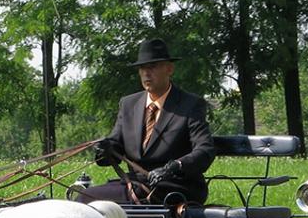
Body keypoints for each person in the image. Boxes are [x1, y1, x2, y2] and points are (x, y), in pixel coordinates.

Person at [77, 38, 215, 206]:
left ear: (169, 69)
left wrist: (175, 167)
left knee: (86, 198)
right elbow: (115, 145)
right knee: (83, 196)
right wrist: (105, 149)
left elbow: (205, 150)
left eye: (153, 67)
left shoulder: (190, 105)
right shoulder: (128, 104)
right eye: (142, 68)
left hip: (175, 185)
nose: (146, 73)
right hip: (135, 184)